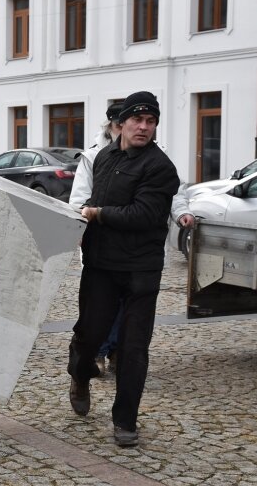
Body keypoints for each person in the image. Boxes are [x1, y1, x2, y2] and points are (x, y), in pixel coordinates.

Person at [67, 91, 180, 448]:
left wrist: (97, 214)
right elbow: (89, 203)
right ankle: (80, 374)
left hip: (140, 270)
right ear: (123, 123)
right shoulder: (103, 157)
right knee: (89, 336)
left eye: (150, 122)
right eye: (137, 120)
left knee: (133, 348)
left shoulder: (160, 168)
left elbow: (144, 215)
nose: (143, 127)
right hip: (100, 266)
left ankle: (125, 421)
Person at [70, 102, 195, 377]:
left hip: (140, 255)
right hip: (102, 251)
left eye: (148, 121)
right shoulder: (94, 157)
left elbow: (173, 192)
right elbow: (80, 200)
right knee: (95, 317)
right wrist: (85, 222)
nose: (140, 128)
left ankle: (116, 354)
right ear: (116, 126)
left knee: (131, 319)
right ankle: (92, 358)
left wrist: (182, 212)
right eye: (129, 122)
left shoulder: (157, 158)